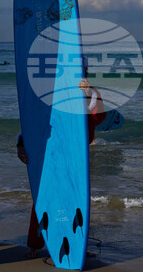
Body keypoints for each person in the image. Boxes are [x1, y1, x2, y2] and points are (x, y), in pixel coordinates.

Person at [19, 76, 106, 258]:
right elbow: (32, 121)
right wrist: (21, 143)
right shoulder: (47, 92)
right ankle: (34, 245)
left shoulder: (89, 92)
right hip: (49, 153)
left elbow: (99, 118)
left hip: (75, 156)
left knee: (75, 199)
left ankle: (77, 246)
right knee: (44, 197)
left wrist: (89, 95)